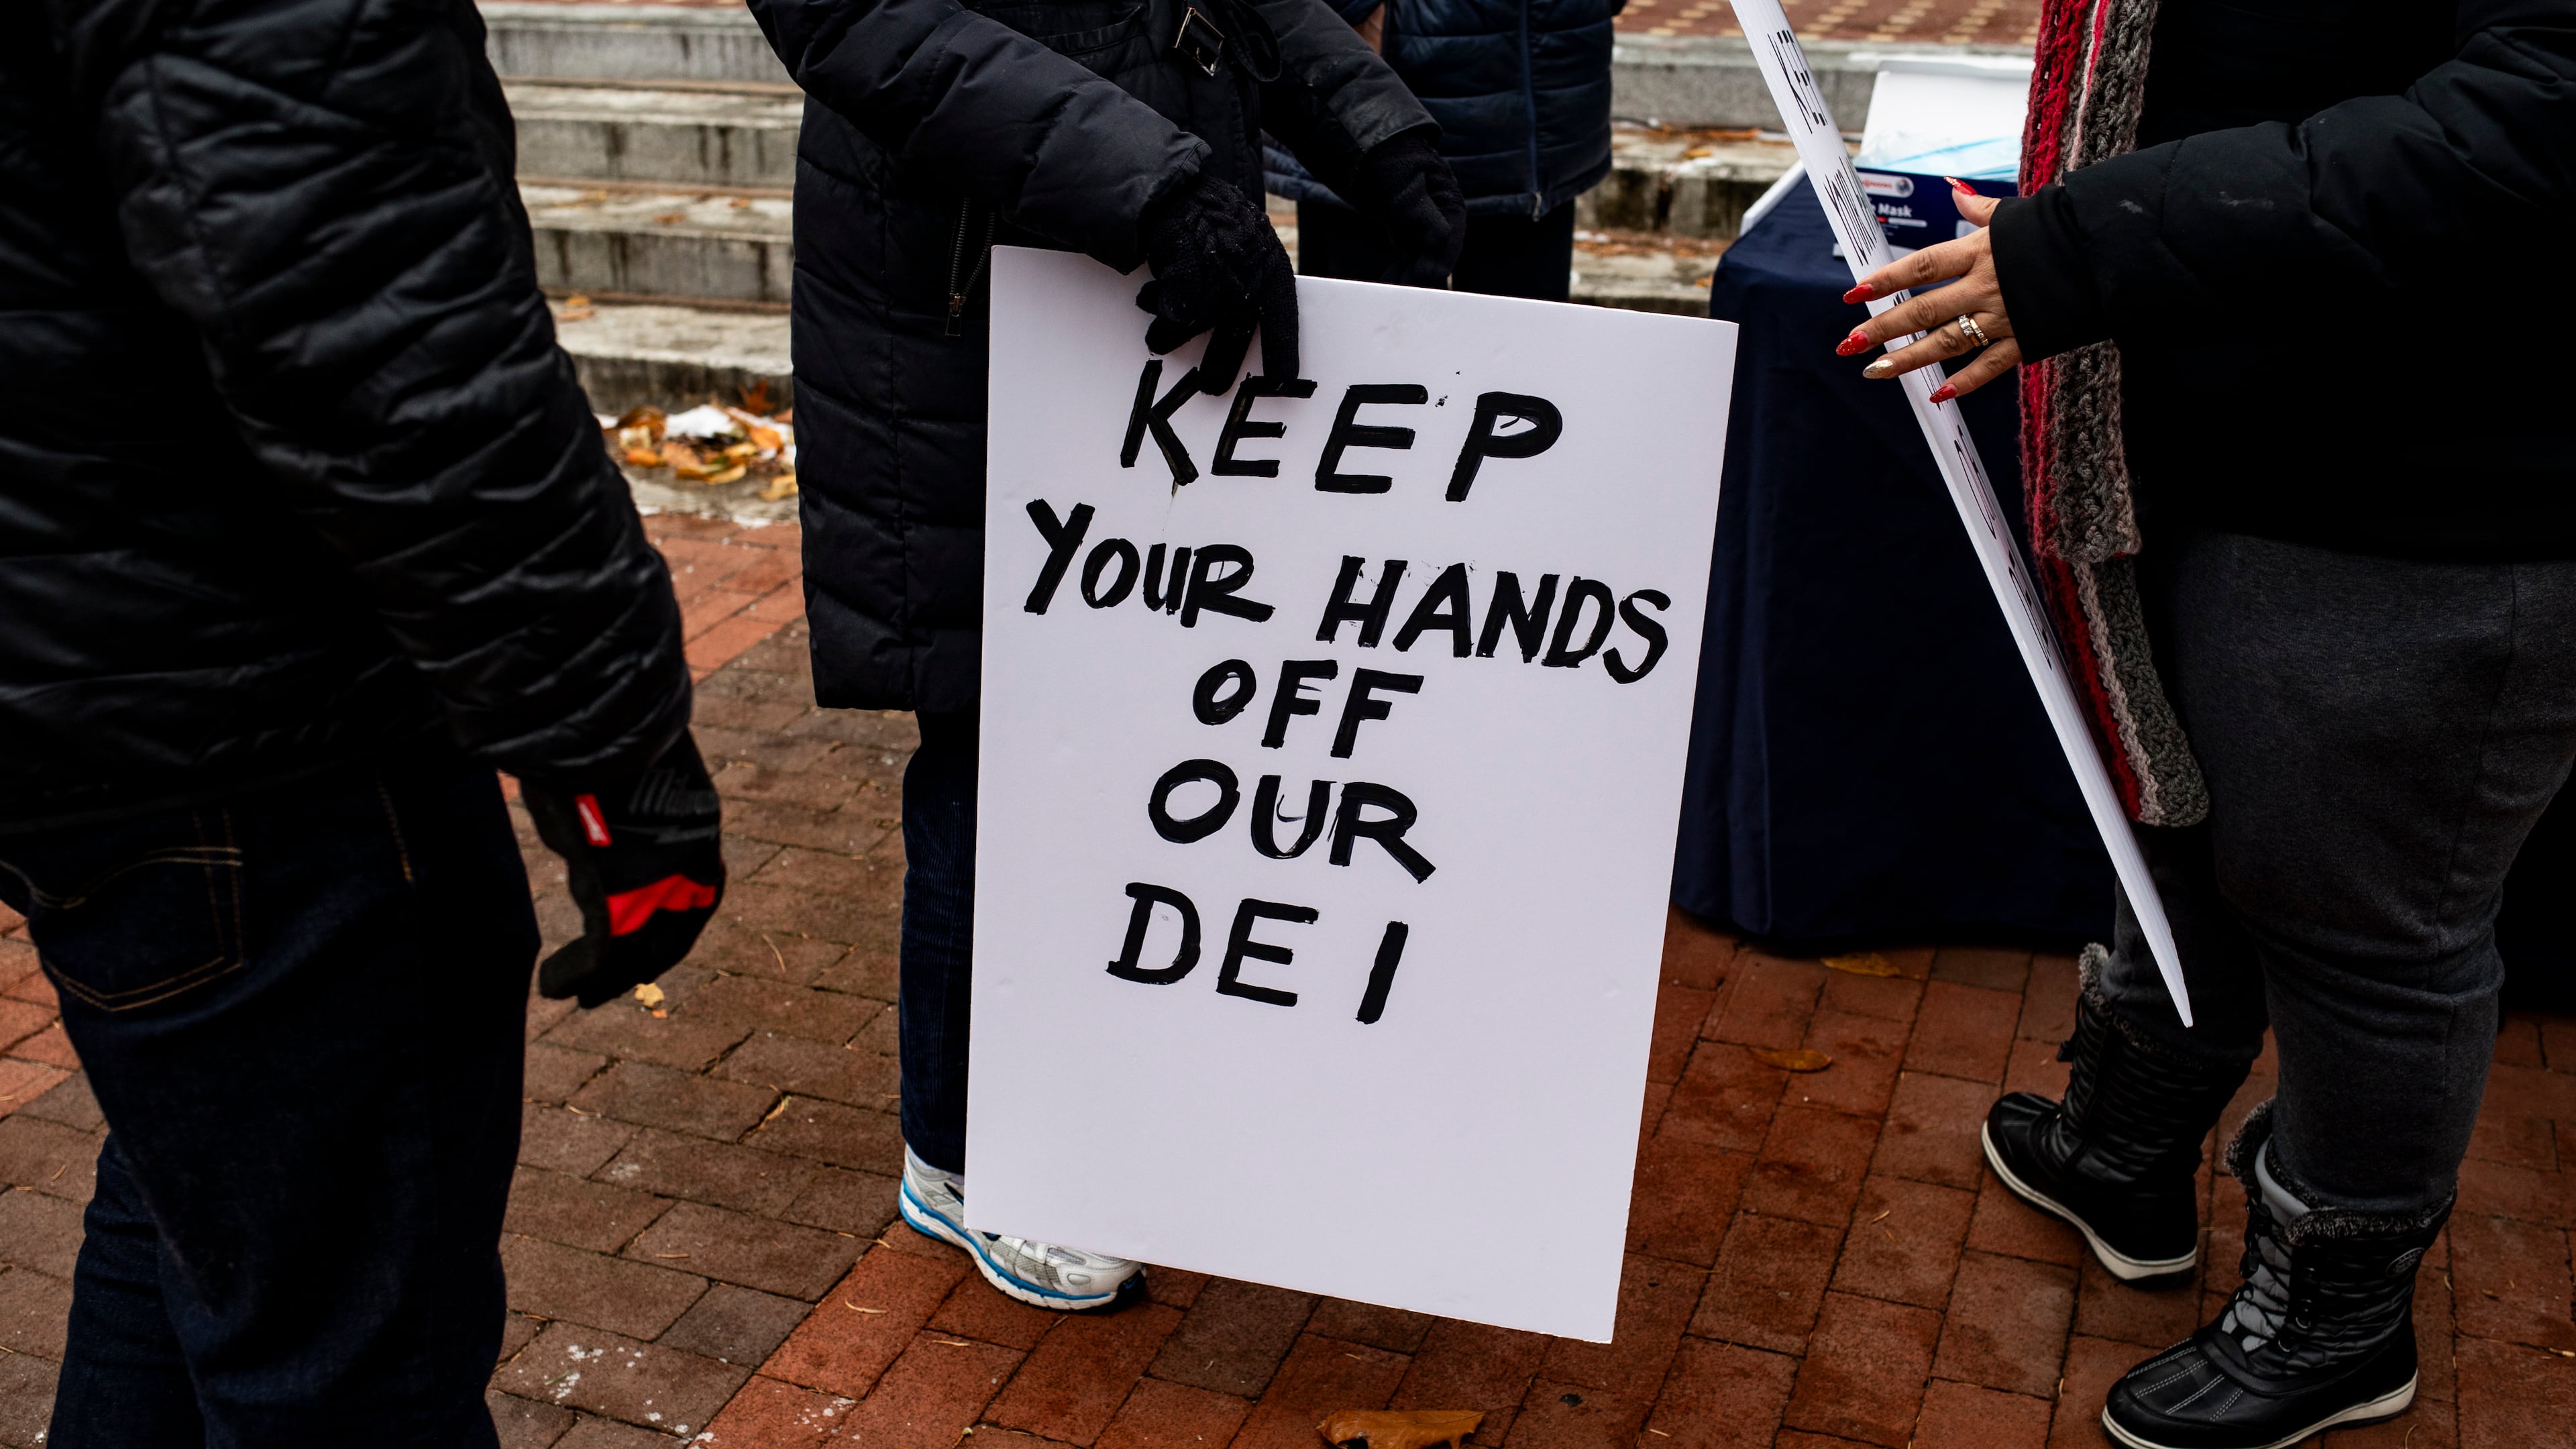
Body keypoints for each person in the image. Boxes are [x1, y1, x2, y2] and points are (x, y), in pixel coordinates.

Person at [1835, 0, 2575, 1445]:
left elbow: (2509, 133)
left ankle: (2339, 1316)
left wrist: (2091, 239)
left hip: (2433, 490)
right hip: (2228, 409)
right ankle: (2127, 1151)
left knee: (2365, 921)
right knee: (2178, 805)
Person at [1, 1, 726, 1443]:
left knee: (205, 1220)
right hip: (255, 720)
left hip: (91, 681)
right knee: (351, 1369)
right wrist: (616, 750)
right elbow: (388, 335)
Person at [747, 0, 1458, 1311]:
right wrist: (1155, 182)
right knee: (996, 745)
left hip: (1162, 283)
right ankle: (964, 1156)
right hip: (971, 308)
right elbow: (859, 18)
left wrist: (1374, 129)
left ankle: (1107, 1093)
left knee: (1147, 726)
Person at [1274, 0, 1622, 299]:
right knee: (1373, 352)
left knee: (1518, 357)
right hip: (1386, 88)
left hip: (1551, 84)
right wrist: (1354, 12)